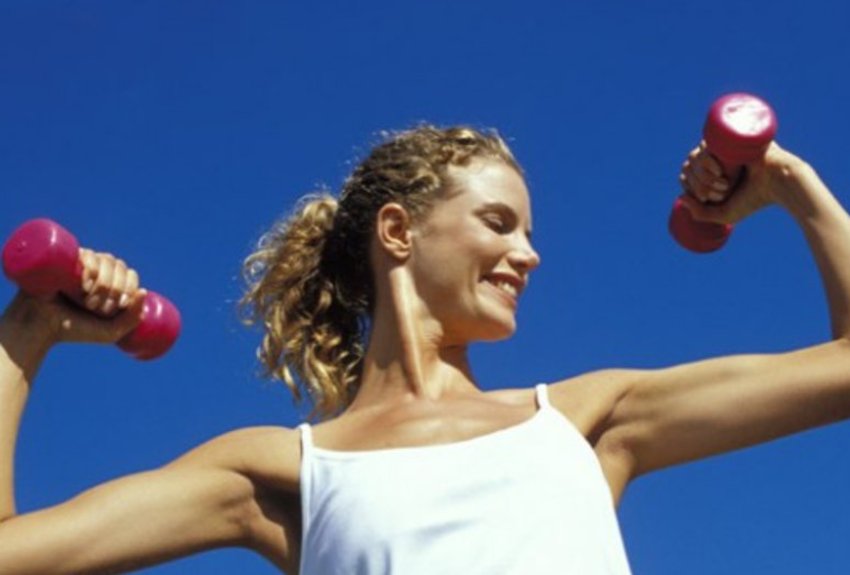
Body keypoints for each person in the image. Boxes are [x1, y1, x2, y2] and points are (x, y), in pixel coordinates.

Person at [1, 124, 849, 574]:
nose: (530, 253)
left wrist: (791, 189)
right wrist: (28, 329)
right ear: (399, 231)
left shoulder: (587, 422)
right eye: (498, 222)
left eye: (528, 230)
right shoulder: (285, 475)